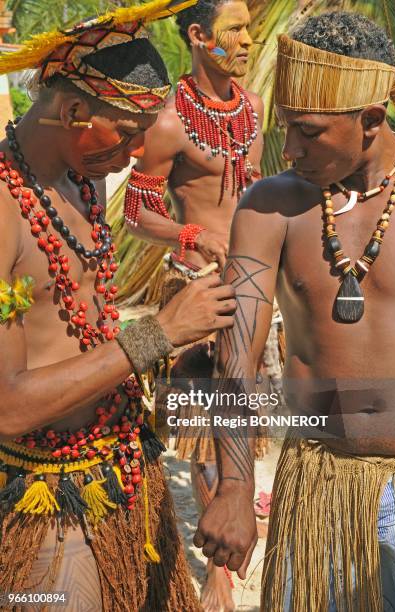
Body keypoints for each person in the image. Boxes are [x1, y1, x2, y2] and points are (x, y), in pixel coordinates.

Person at [0, 2, 237, 610]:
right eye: (127, 132)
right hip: (46, 495)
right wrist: (156, 333)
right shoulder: (3, 208)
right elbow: (7, 406)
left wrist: (171, 354)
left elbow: (85, 322)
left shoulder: (86, 176)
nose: (135, 153)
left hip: (129, 474)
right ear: (75, 111)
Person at [194, 11, 395, 611]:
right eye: (284, 128)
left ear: (370, 120)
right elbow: (238, 351)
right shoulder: (273, 205)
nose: (289, 149)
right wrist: (234, 484)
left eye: (309, 132)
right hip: (318, 482)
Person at [122, 1, 264, 608]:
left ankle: (234, 522)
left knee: (245, 415)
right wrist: (189, 234)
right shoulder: (168, 120)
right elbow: (134, 209)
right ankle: (219, 572)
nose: (248, 41)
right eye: (235, 29)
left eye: (250, 29)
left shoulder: (251, 107)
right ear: (199, 35)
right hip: (198, 286)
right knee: (208, 429)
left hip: (254, 283)